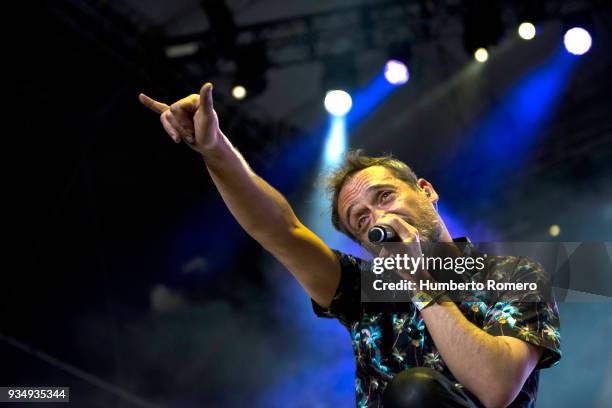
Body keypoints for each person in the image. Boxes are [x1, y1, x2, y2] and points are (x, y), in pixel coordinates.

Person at [139, 83, 561, 408]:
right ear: (366, 243)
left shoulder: (514, 275)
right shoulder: (366, 286)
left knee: (418, 393)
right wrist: (215, 149)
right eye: (361, 220)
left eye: (384, 197)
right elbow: (280, 230)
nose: (377, 217)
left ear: (427, 191)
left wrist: (420, 285)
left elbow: (497, 386)